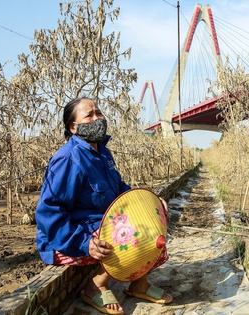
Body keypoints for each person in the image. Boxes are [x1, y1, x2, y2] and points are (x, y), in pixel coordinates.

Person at [35, 97, 173, 315]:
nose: (97, 118)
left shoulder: (102, 153)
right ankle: (96, 286)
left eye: (98, 113)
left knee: (153, 222)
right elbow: (49, 212)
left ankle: (139, 284)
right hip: (67, 239)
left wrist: (152, 202)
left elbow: (120, 189)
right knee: (129, 235)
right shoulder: (68, 159)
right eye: (89, 116)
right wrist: (83, 243)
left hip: (101, 223)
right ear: (73, 127)